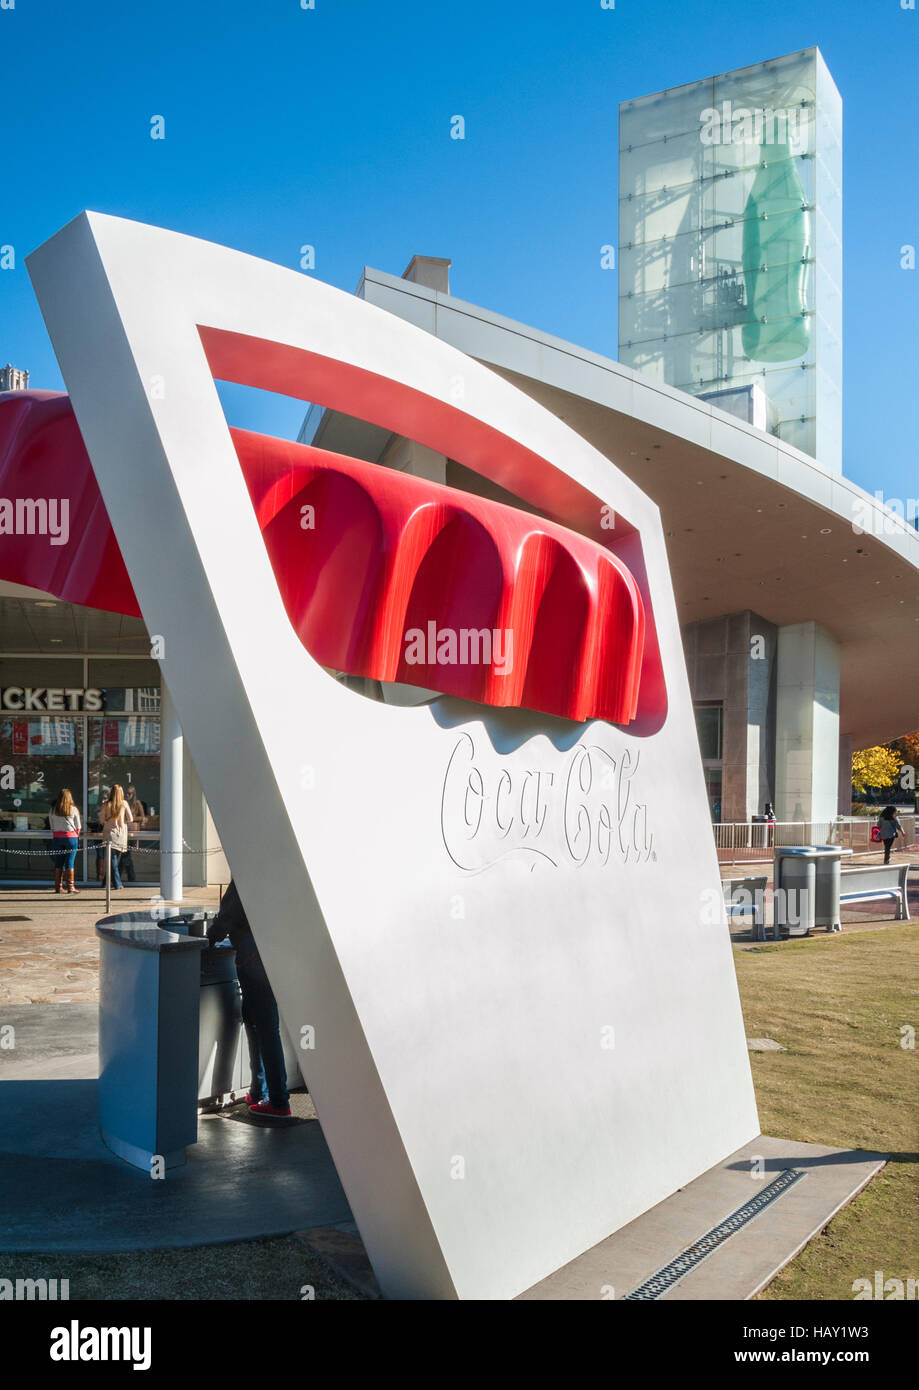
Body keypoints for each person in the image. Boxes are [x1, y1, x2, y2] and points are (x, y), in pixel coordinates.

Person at [206, 879, 291, 1118]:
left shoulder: (245, 868)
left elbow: (230, 913)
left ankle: (278, 1100)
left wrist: (210, 937)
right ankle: (259, 1091)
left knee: (263, 1025)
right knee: (255, 1021)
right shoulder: (270, 866)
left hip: (251, 952)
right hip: (271, 948)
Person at [99, 784, 135, 890]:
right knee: (114, 860)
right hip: (121, 835)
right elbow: (131, 819)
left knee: (112, 861)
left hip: (109, 835)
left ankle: (109, 882)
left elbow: (101, 820)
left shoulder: (106, 804)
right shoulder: (124, 803)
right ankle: (116, 883)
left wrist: (108, 822)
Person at [48, 788, 82, 894]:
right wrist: (75, 834)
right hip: (71, 838)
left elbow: (52, 827)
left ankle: (58, 887)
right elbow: (78, 826)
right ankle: (70, 887)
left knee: (58, 862)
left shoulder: (53, 810)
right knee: (70, 862)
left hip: (57, 838)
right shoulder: (73, 809)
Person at [121, 784, 146, 883]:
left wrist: (131, 818)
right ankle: (130, 877)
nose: (127, 795)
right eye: (126, 793)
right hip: (124, 830)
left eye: (129, 793)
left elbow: (142, 817)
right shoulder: (123, 803)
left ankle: (122, 875)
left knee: (126, 853)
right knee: (126, 854)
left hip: (133, 830)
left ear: (133, 794)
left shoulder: (137, 803)